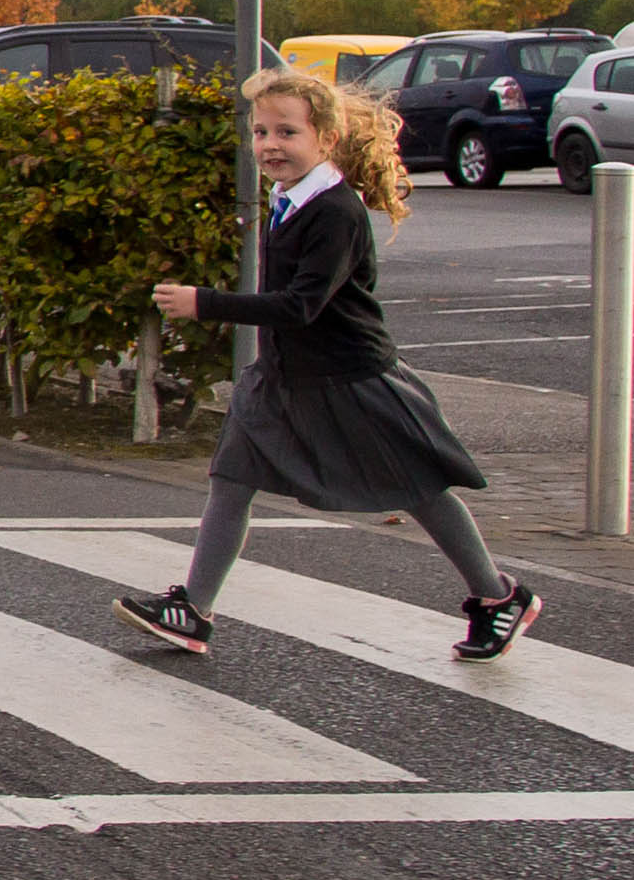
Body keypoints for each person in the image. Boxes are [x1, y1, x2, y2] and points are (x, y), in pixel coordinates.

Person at [112, 68, 537, 660]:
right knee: (230, 481)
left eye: (287, 132)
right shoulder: (287, 200)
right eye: (260, 132)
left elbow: (303, 305)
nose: (269, 145)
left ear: (326, 139)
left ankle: (497, 597)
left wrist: (203, 303)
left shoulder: (335, 211)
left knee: (420, 489)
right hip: (283, 378)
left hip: (352, 377)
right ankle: (193, 611)